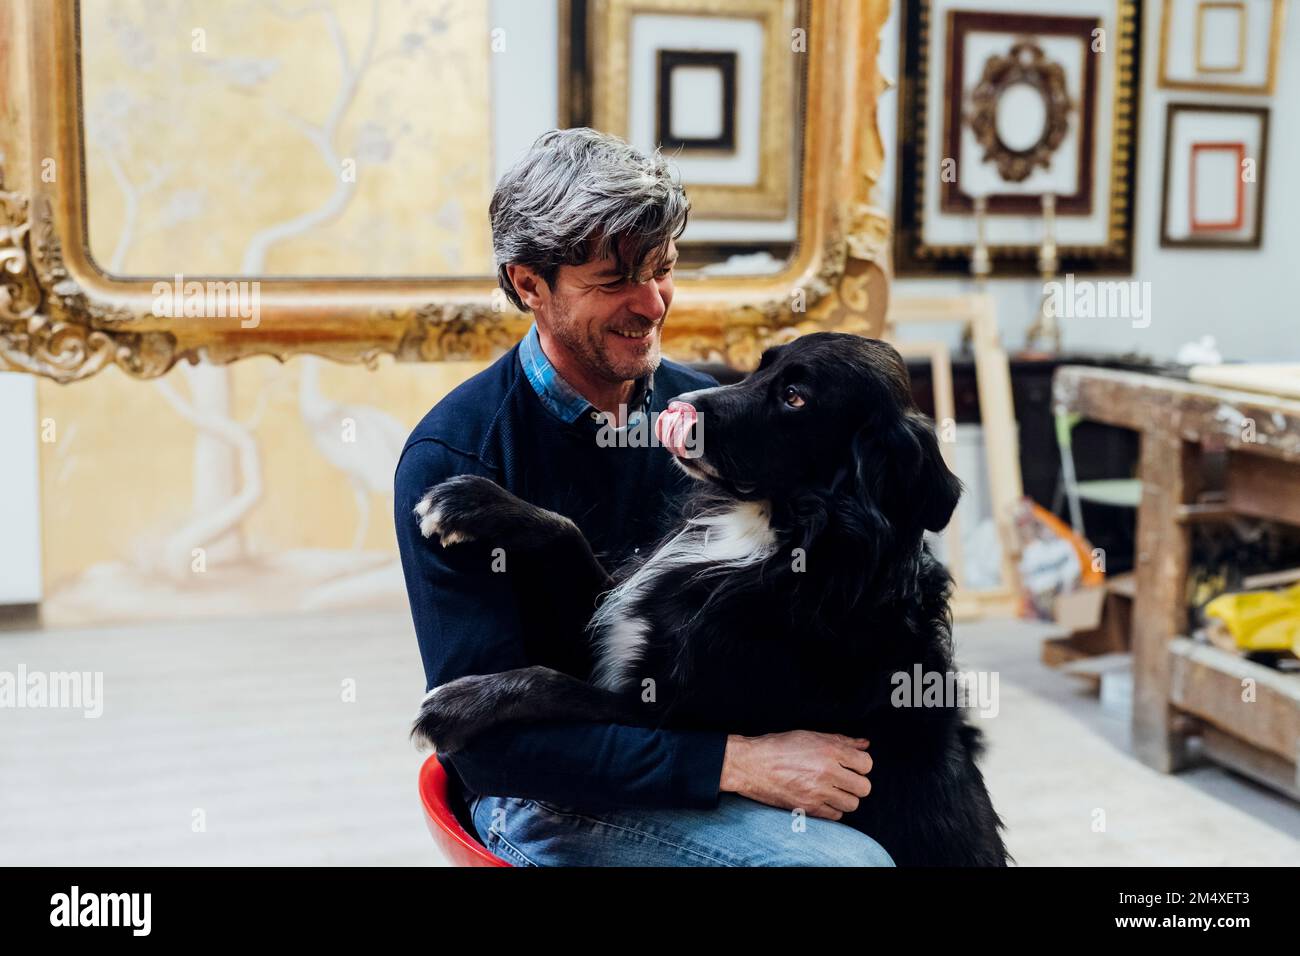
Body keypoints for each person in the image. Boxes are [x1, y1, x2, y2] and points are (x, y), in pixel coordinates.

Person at [394, 128, 891, 866]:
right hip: (546, 792)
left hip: (698, 737)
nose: (652, 303)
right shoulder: (455, 457)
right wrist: (737, 764)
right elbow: (492, 749)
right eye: (613, 281)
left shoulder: (709, 412)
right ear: (529, 283)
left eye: (663, 268)